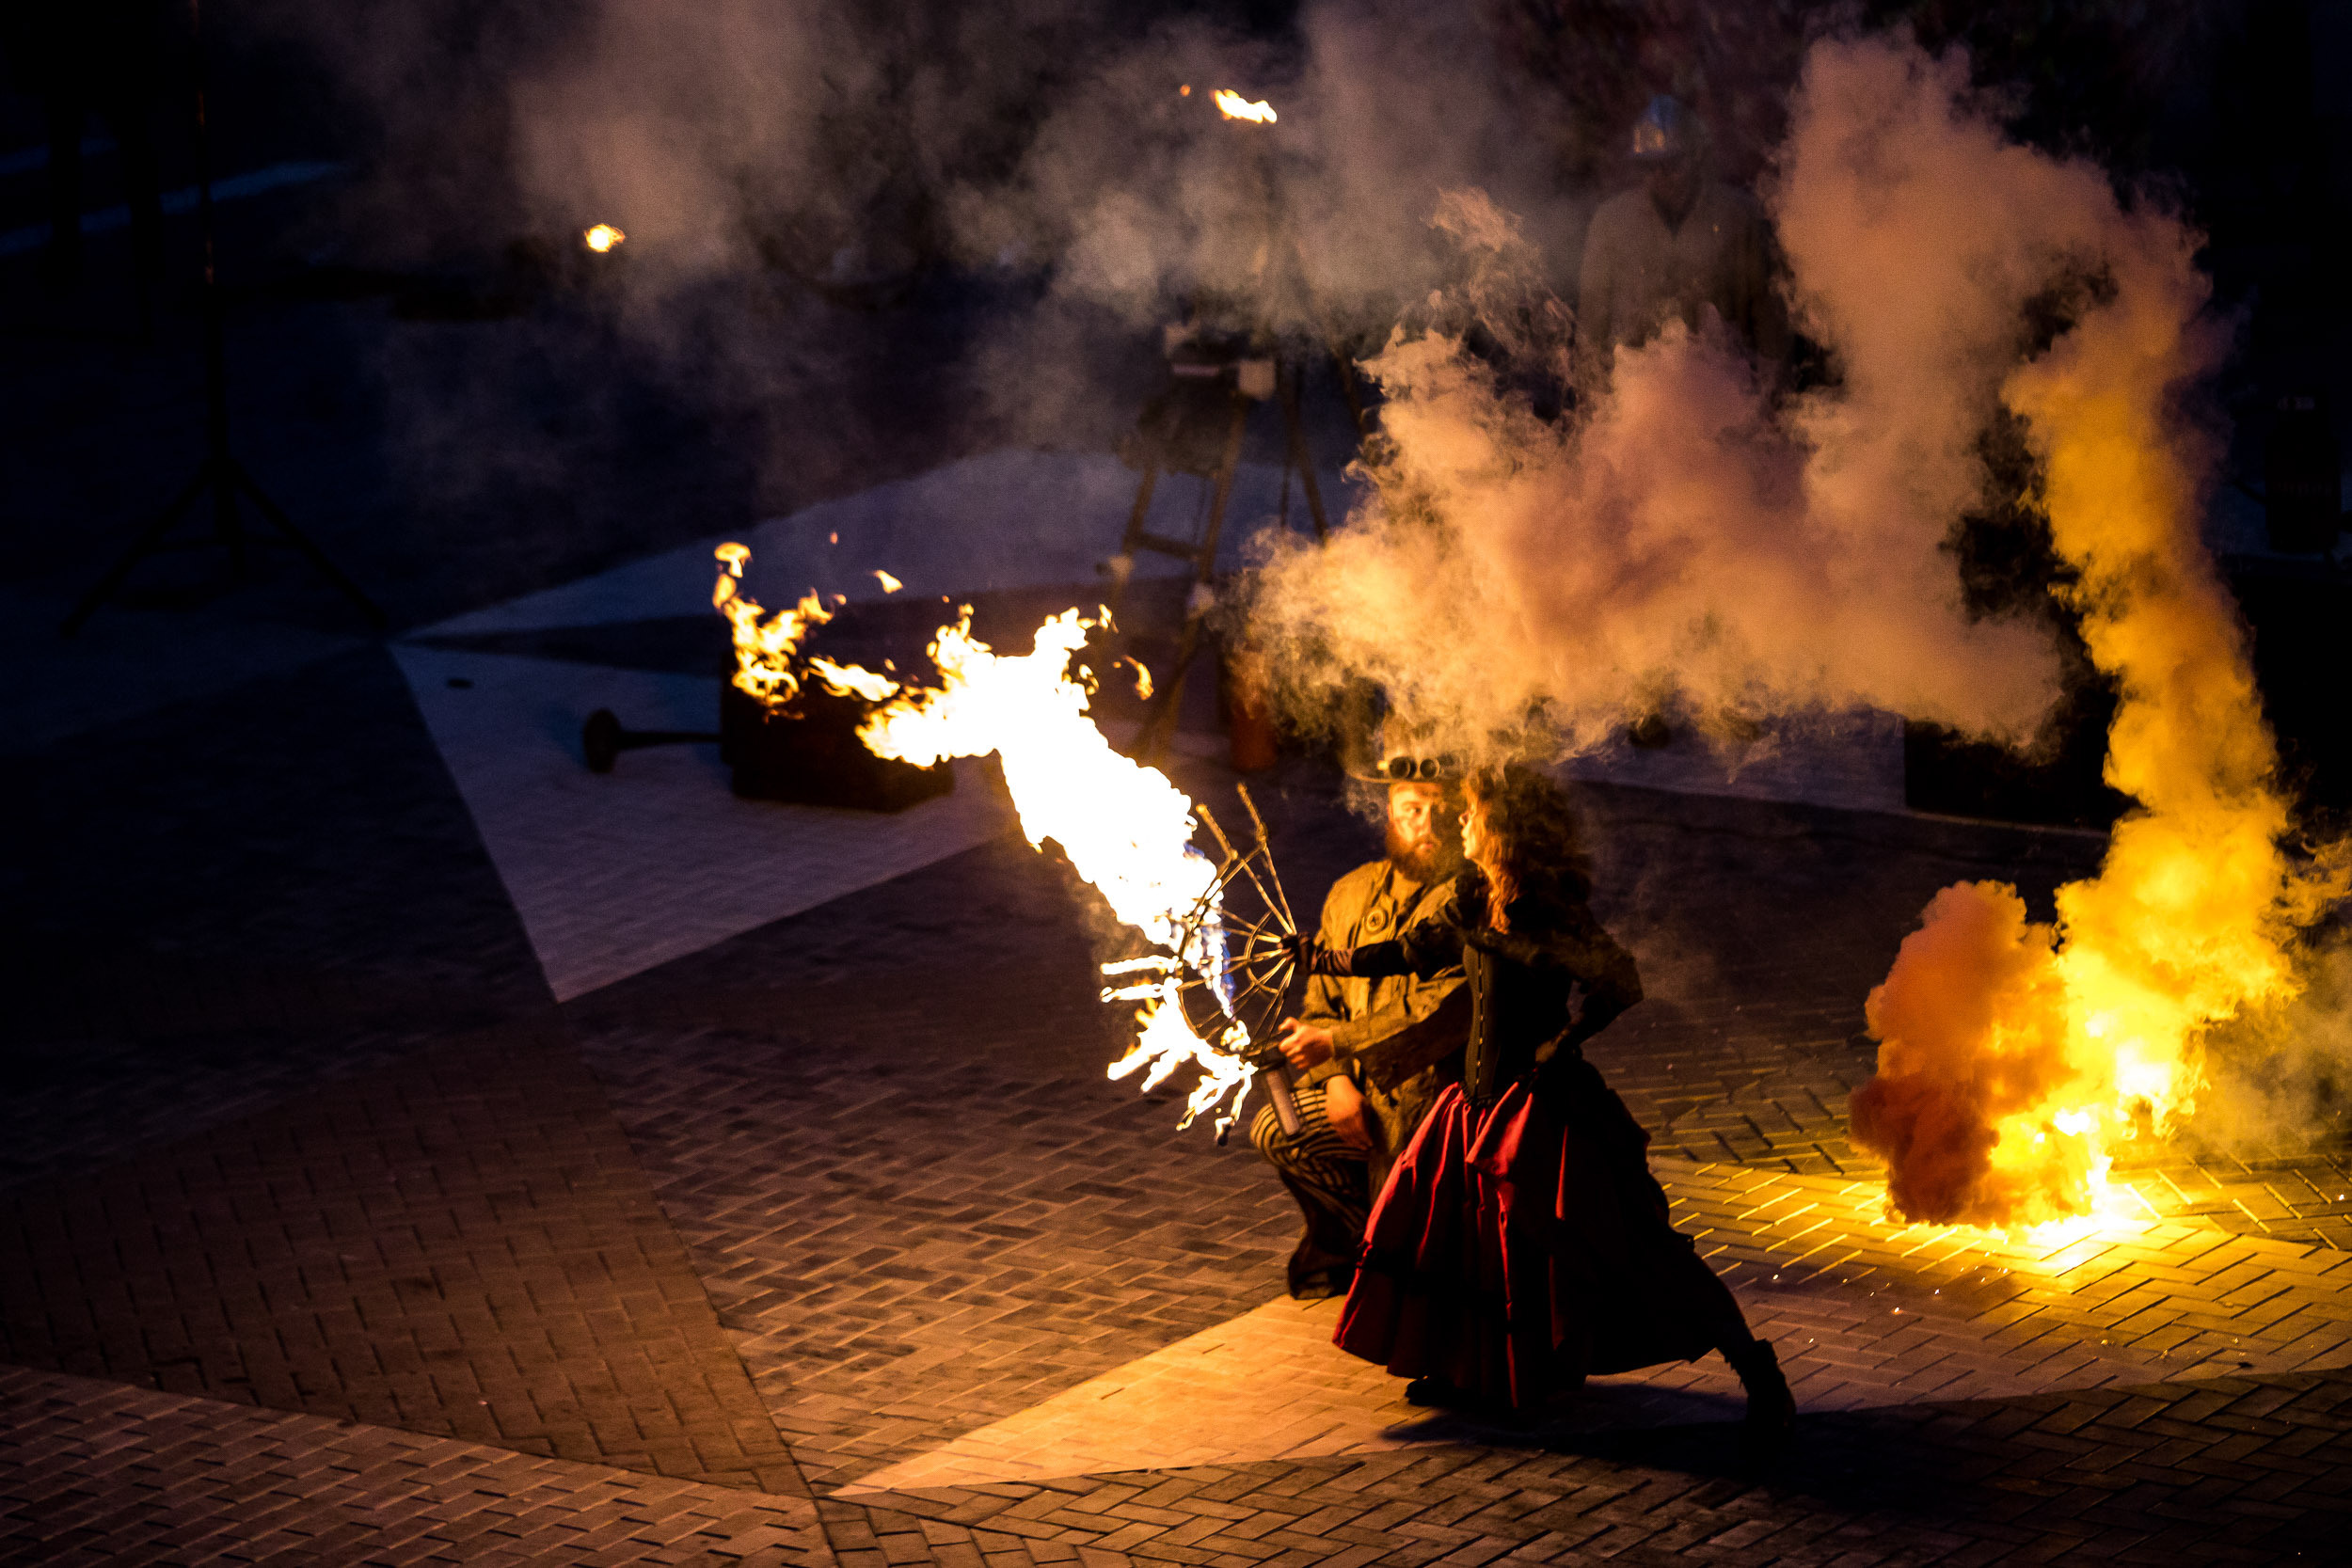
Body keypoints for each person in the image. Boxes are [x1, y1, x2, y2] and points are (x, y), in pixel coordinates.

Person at [1285, 763, 1795, 1434]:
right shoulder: (1471, 890)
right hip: (1471, 1104)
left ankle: (1759, 1372)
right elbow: (1412, 949)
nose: (1456, 823)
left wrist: (1563, 1042)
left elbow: (1621, 981)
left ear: (1502, 827)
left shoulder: (1550, 908)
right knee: (1472, 1244)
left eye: (1469, 813)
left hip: (1542, 1110)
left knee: (1635, 1248)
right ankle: (1478, 1371)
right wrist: (1323, 959)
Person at [1250, 752, 1469, 1299]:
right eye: (1411, 808)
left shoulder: (1467, 900)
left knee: (1415, 1217)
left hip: (1434, 1101)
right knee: (1281, 1129)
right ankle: (1353, 1241)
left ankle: (1395, 1258)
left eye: (1440, 810)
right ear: (1389, 815)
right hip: (1359, 1089)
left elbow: (1434, 1011)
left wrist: (1335, 1045)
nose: (1427, 824)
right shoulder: (1351, 892)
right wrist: (1337, 1078)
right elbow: (1321, 1003)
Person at [1576, 94, 1788, 376]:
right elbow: (1592, 324)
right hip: (1635, 396)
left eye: (1672, 162)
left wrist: (1767, 401)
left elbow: (1768, 317)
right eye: (1650, 165)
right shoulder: (1612, 222)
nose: (1661, 174)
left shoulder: (1738, 218)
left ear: (1695, 156)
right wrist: (1591, 404)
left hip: (1722, 389)